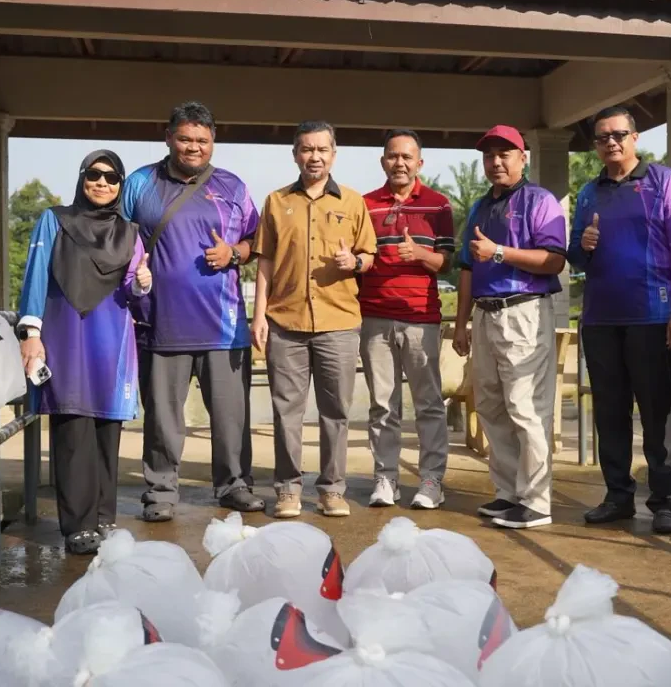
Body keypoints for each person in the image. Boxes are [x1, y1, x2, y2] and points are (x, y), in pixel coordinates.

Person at [122, 101, 263, 521]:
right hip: (159, 322)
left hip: (224, 326)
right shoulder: (140, 183)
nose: (193, 147)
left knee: (231, 417)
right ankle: (161, 492)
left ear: (213, 141)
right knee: (163, 419)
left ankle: (234, 485)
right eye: (185, 138)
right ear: (169, 138)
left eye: (202, 140)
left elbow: (257, 242)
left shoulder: (233, 186)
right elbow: (115, 236)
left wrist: (234, 253)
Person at [17, 150, 152, 555]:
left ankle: (103, 518)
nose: (102, 183)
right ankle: (77, 525)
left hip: (113, 339)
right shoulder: (54, 220)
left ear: (120, 185)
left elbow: (133, 294)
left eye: (112, 177)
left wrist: (142, 282)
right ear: (82, 178)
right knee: (73, 424)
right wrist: (30, 332)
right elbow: (36, 275)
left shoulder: (130, 233)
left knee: (107, 429)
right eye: (94, 174)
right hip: (67, 334)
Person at [567, 106, 671, 535]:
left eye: (618, 134)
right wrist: (583, 245)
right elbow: (574, 256)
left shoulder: (661, 181)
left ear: (635, 137)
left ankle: (664, 501)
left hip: (652, 316)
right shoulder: (589, 192)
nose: (611, 142)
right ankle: (618, 496)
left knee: (657, 412)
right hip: (600, 318)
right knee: (609, 412)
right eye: (602, 137)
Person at [251, 121, 378, 519]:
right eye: (307, 149)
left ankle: (332, 489)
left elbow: (369, 257)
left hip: (338, 322)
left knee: (335, 411)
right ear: (295, 155)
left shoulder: (353, 202)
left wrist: (353, 261)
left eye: (322, 149)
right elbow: (265, 261)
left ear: (334, 155)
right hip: (285, 322)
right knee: (286, 412)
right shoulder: (276, 202)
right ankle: (288, 490)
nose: (315, 156)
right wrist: (259, 315)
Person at [452, 125, 568, 529]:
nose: (496, 162)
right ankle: (508, 493)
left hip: (524, 310)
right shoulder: (481, 207)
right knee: (490, 404)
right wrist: (461, 323)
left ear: (523, 158)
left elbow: (554, 260)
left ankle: (536, 501)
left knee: (525, 406)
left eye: (505, 154)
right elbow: (467, 267)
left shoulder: (539, 200)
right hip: (485, 313)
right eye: (489, 155)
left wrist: (499, 252)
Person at [359, 129, 455, 509]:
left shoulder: (438, 206)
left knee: (429, 403)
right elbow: (361, 258)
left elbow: (447, 262)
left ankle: (432, 481)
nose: (399, 163)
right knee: (383, 405)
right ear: (383, 161)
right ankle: (386, 478)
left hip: (421, 318)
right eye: (393, 156)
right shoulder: (365, 205)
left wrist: (420, 255)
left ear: (419, 162)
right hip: (375, 317)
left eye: (407, 156)